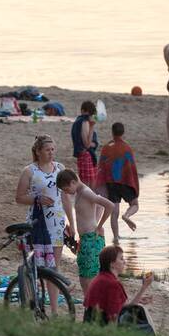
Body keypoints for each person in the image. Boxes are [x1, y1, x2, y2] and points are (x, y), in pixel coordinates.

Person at [14, 134, 74, 317]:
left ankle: (54, 310)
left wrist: (71, 222)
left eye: (53, 150)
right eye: (47, 150)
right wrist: (37, 199)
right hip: (37, 223)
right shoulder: (29, 171)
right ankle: (35, 304)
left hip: (56, 223)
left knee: (54, 268)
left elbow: (65, 197)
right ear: (38, 151)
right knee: (36, 266)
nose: (51, 153)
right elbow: (19, 197)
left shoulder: (60, 168)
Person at [56, 169, 115, 296]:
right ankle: (90, 304)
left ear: (73, 182)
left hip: (91, 239)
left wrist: (99, 226)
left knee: (88, 278)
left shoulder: (86, 192)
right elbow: (98, 206)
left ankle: (92, 306)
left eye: (66, 189)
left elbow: (109, 205)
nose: (66, 193)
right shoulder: (79, 191)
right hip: (85, 239)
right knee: (84, 275)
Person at [83, 245, 153, 324]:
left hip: (91, 323)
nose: (124, 262)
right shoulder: (112, 284)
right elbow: (116, 314)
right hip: (101, 327)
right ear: (112, 264)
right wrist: (144, 287)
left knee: (140, 307)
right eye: (121, 259)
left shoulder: (101, 277)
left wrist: (139, 299)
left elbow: (120, 306)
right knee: (142, 313)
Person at [98, 122, 140, 242]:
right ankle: (126, 216)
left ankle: (116, 238)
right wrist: (134, 184)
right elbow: (131, 168)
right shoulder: (127, 147)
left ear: (112, 132)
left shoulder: (106, 147)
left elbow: (101, 166)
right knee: (135, 204)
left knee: (114, 212)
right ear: (123, 132)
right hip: (125, 182)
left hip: (111, 183)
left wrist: (101, 184)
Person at [71, 101, 100, 195]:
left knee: (87, 185)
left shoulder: (79, 121)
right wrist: (92, 127)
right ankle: (86, 206)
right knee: (88, 186)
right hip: (85, 155)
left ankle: (88, 206)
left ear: (82, 110)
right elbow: (87, 144)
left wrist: (93, 143)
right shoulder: (84, 122)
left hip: (83, 155)